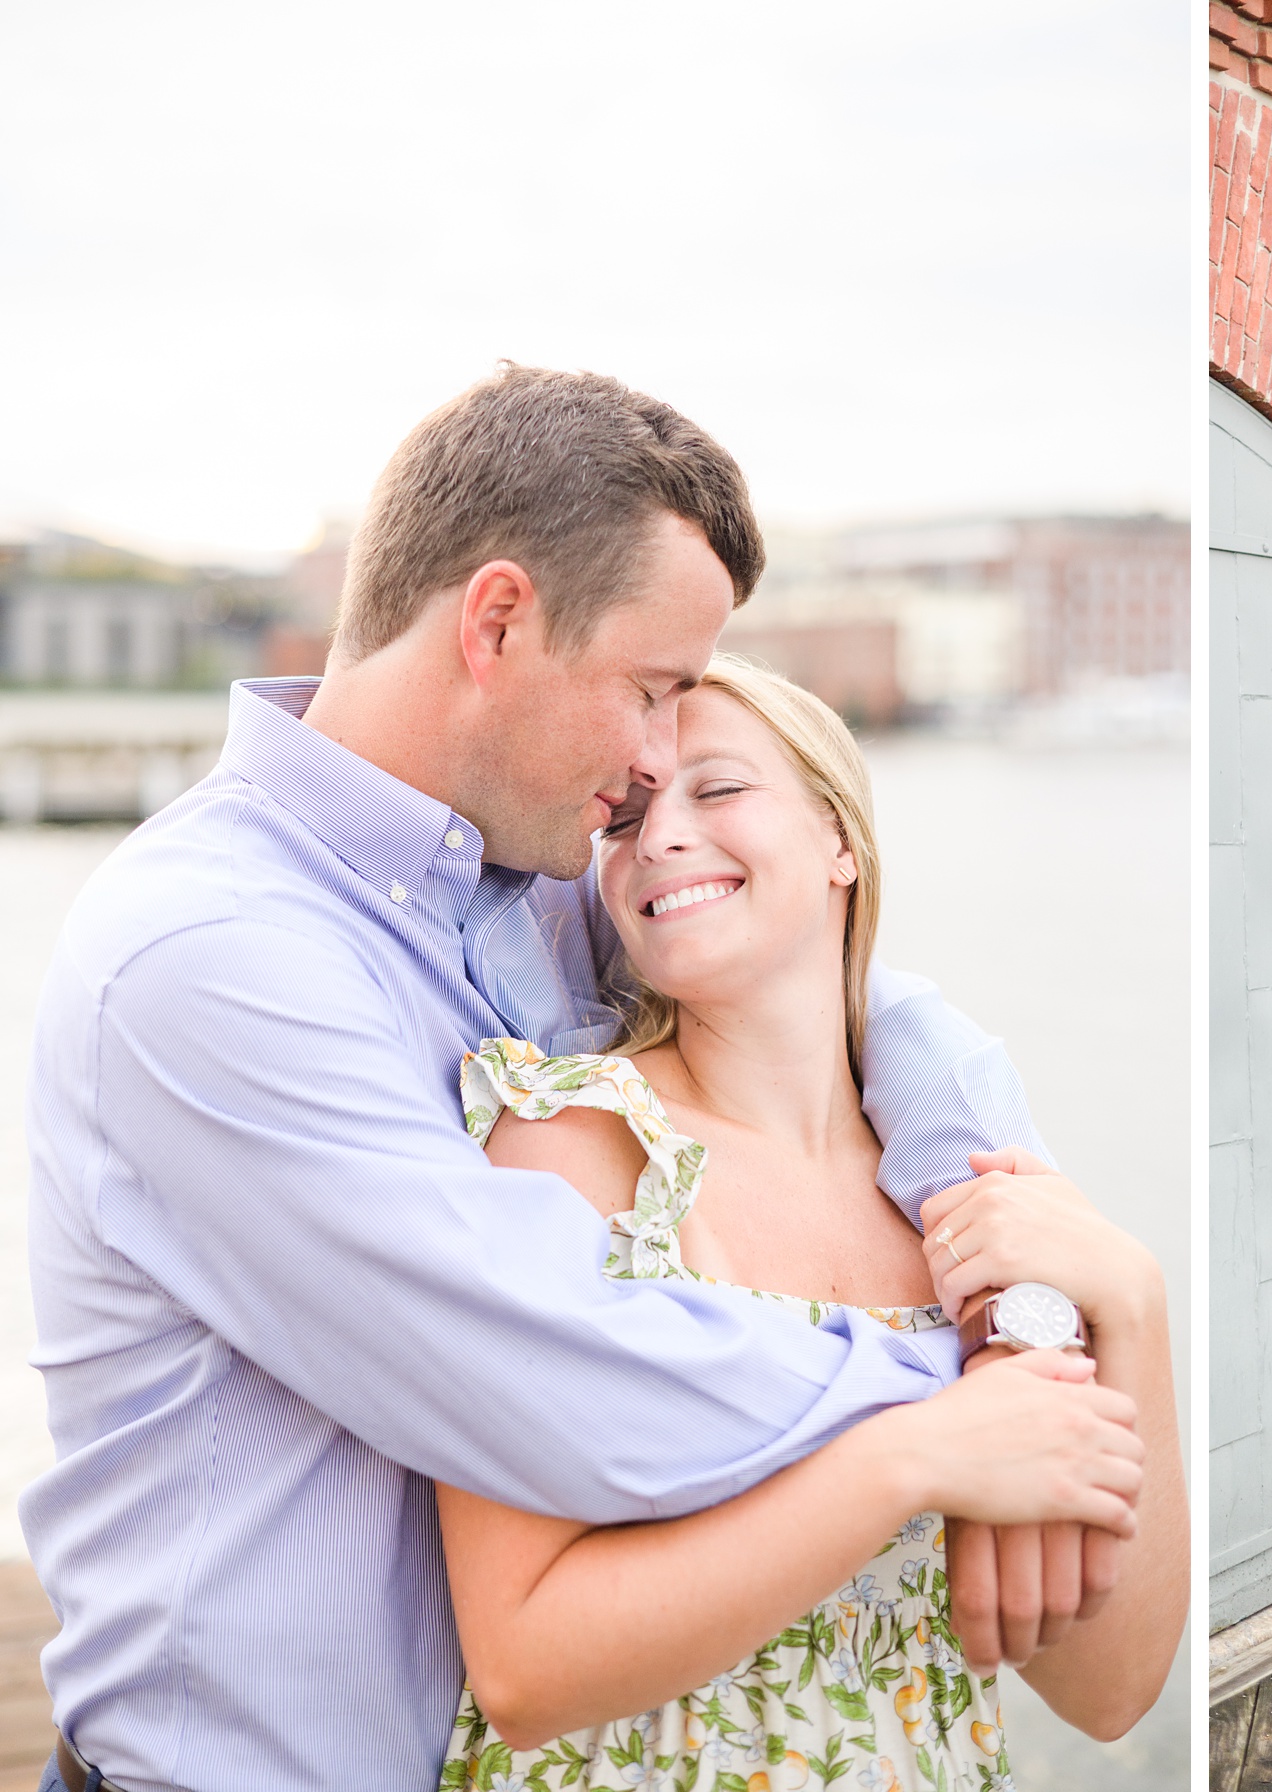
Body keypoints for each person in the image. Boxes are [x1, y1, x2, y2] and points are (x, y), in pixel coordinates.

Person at [21, 368, 1122, 1792]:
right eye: (651, 690)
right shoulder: (209, 957)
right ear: (496, 623)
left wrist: (1020, 1300)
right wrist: (953, 1396)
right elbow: (555, 1362)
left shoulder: (536, 883)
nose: (660, 757)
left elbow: (846, 992)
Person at [434, 659, 1185, 1787]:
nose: (659, 839)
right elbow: (523, 1671)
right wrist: (914, 1456)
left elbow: (1107, 1691)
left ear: (842, 841)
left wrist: (1133, 1304)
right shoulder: (574, 1149)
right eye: (624, 818)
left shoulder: (967, 1211)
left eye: (719, 790)